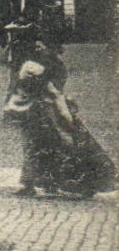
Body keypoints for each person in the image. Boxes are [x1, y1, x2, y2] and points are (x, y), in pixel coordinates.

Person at [9, 59, 116, 199]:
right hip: (44, 119)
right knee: (45, 151)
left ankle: (38, 184)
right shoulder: (47, 85)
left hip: (41, 120)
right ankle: (43, 184)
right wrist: (69, 119)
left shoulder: (32, 84)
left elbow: (18, 102)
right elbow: (59, 103)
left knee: (38, 151)